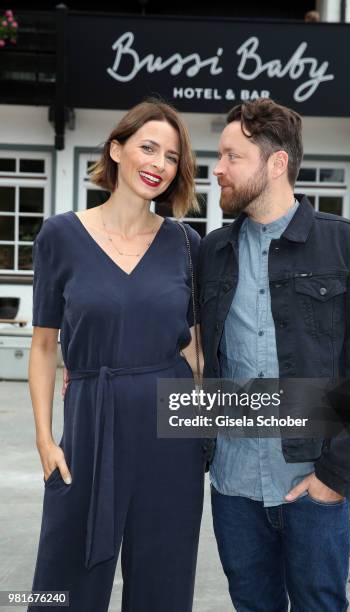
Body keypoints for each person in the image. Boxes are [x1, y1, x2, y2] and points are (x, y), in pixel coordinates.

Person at [197, 98, 350, 611]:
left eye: (232, 156)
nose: (217, 169)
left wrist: (335, 477)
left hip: (313, 483)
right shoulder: (210, 252)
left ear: (276, 163)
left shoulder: (349, 246)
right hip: (234, 485)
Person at [27, 99, 206, 612]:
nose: (158, 164)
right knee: (62, 582)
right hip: (89, 421)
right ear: (117, 149)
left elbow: (197, 352)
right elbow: (43, 347)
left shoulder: (186, 243)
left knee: (164, 579)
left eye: (172, 157)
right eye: (148, 147)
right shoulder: (60, 235)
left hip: (171, 431)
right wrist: (44, 439)